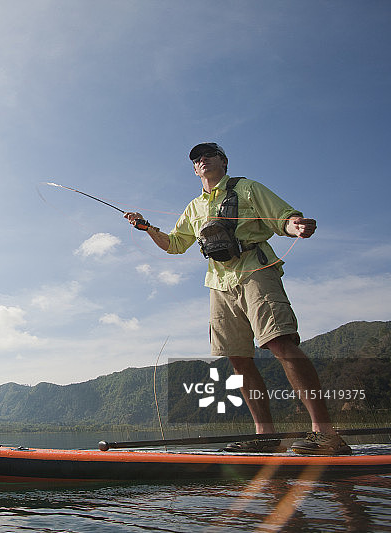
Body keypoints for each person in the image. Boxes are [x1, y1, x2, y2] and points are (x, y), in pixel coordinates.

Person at [123, 142, 350, 455]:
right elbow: (174, 245)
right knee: (237, 358)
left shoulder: (247, 188)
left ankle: (326, 435)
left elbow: (282, 217)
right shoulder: (193, 207)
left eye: (208, 154)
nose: (201, 159)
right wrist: (146, 227)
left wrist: (295, 225)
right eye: (196, 158)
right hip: (218, 283)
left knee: (280, 343)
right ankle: (266, 436)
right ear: (194, 169)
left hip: (256, 271)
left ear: (223, 161)